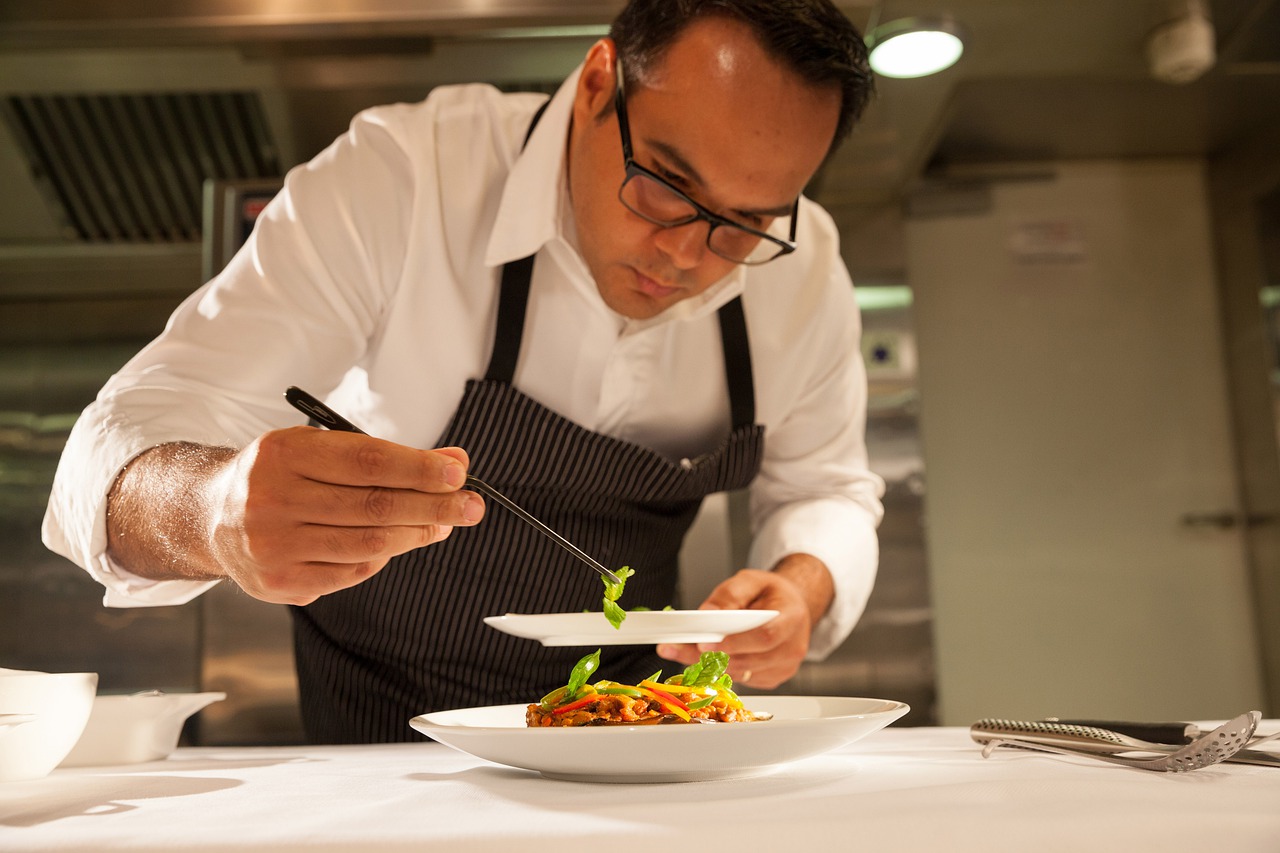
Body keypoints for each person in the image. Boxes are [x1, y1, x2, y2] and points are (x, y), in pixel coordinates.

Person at [43, 0, 884, 743]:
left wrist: (799, 587)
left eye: (745, 223)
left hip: (635, 734)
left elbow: (828, 489)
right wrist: (212, 507)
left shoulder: (803, 273)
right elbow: (108, 453)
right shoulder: (404, 179)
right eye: (665, 184)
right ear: (597, 84)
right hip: (382, 733)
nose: (687, 253)